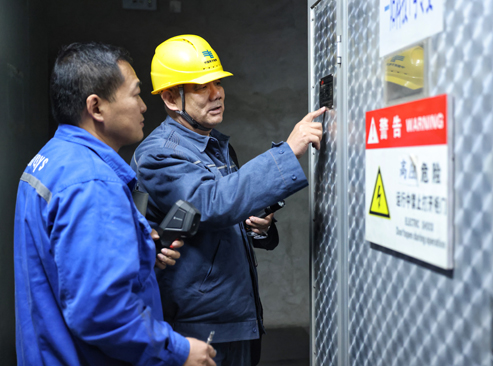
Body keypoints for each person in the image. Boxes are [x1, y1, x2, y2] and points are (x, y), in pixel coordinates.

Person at [14, 42, 216, 365]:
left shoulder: (50, 160)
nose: (144, 107)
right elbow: (101, 311)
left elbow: (68, 270)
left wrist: (141, 254)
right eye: (136, 94)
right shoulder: (92, 183)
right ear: (96, 107)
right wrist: (179, 351)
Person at [131, 34, 325, 365]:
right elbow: (209, 204)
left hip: (237, 318)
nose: (216, 92)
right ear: (169, 97)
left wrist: (258, 226)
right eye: (199, 86)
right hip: (197, 326)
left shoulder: (216, 146)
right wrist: (288, 150)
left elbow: (223, 214)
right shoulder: (158, 153)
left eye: (217, 82)